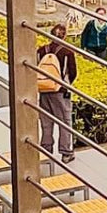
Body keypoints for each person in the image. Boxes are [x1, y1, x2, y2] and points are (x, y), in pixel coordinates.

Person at [37, 24, 78, 163]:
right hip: (60, 92)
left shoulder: (42, 50)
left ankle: (46, 150)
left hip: (43, 90)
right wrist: (65, 86)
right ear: (64, 36)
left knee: (46, 122)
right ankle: (66, 152)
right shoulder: (67, 52)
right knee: (65, 122)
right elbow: (72, 73)